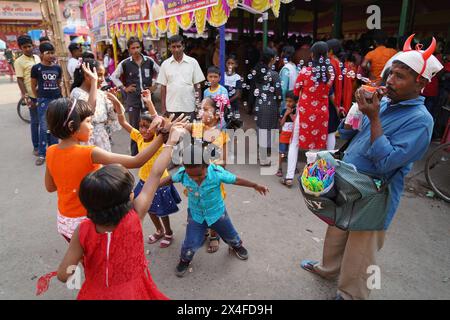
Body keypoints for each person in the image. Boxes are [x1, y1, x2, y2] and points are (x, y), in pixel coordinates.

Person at [300, 35, 443, 300]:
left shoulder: (421, 121)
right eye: (391, 74)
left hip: (376, 192)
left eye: (400, 77)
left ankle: (351, 294)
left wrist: (374, 116)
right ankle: (328, 269)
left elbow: (387, 161)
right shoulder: (386, 101)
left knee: (361, 248)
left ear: (420, 83)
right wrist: (357, 111)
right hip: (348, 180)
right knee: (337, 227)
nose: (390, 80)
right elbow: (348, 133)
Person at [51, 125, 186, 299]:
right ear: (127, 198)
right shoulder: (136, 215)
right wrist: (172, 141)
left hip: (95, 293)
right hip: (133, 292)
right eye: (130, 190)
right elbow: (156, 173)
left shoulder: (82, 230)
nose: (133, 192)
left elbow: (64, 275)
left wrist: (75, 273)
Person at [44, 97, 186, 241]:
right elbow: (137, 161)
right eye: (88, 122)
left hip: (65, 221)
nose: (92, 125)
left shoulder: (51, 151)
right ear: (71, 126)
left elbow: (50, 187)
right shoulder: (90, 152)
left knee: (86, 259)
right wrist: (162, 137)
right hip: (88, 220)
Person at [158, 143, 269, 277]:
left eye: (199, 175)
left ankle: (236, 246)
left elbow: (236, 180)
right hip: (196, 215)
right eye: (191, 175)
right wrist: (153, 187)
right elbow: (169, 179)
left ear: (207, 166)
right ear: (185, 169)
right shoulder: (182, 174)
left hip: (217, 213)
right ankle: (185, 259)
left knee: (230, 234)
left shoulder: (216, 172)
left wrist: (255, 185)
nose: (195, 178)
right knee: (190, 242)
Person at [110, 89, 181, 248]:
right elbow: (123, 123)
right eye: (140, 126)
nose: (142, 130)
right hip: (143, 181)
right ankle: (159, 230)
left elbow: (157, 119)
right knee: (148, 208)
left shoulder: (158, 137)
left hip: (160, 181)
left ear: (155, 128)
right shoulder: (138, 137)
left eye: (146, 126)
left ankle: (168, 232)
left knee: (162, 210)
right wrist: (117, 105)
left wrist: (149, 102)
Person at [281, 41, 334, 187]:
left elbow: (296, 91)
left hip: (305, 112)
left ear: (312, 54)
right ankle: (308, 179)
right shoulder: (330, 74)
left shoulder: (305, 72)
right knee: (315, 146)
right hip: (322, 114)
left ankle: (289, 176)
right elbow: (329, 91)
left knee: (294, 143)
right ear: (326, 55)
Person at [110, 37, 160, 156]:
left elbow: (160, 72)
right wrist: (124, 88)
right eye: (133, 48)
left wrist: (155, 86)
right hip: (133, 99)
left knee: (150, 125)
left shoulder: (149, 61)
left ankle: (151, 150)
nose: (136, 50)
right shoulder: (125, 63)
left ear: (141, 47)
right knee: (134, 127)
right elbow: (114, 76)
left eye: (138, 47)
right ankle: (135, 154)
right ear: (129, 50)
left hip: (147, 99)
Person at [70, 59, 121, 152]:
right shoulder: (77, 93)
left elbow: (111, 117)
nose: (102, 80)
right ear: (87, 75)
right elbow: (89, 112)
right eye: (99, 75)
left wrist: (114, 102)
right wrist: (94, 82)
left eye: (103, 75)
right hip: (87, 141)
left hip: (103, 140)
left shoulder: (101, 94)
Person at [156, 35, 205, 120]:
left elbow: (197, 86)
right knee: (172, 133)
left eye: (179, 46)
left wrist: (198, 106)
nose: (176, 49)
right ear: (169, 48)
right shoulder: (165, 64)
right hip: (171, 108)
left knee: (189, 133)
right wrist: (163, 109)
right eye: (173, 47)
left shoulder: (193, 62)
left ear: (183, 47)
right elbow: (163, 88)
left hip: (189, 107)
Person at [30, 42, 62, 166]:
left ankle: (54, 151)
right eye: (48, 53)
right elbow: (33, 85)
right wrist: (38, 98)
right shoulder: (36, 68)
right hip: (44, 100)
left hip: (56, 99)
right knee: (44, 127)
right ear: (41, 54)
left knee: (54, 126)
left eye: (52, 53)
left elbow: (58, 83)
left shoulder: (57, 68)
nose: (51, 55)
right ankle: (42, 154)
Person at [254, 48, 282, 166]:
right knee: (270, 129)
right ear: (271, 59)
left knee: (261, 128)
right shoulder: (273, 74)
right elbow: (278, 92)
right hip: (270, 104)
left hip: (259, 102)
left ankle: (261, 155)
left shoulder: (257, 71)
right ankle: (265, 158)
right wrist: (280, 102)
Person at [14, 35, 41, 157]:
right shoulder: (19, 61)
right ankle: (36, 146)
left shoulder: (37, 58)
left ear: (33, 45)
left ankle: (46, 144)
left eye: (29, 46)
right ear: (21, 48)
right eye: (24, 47)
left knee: (45, 121)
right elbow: (20, 80)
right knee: (35, 122)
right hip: (31, 95)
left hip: (43, 94)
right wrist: (26, 96)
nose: (28, 49)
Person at [276, 91, 297, 177]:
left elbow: (296, 121)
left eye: (290, 101)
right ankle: (279, 168)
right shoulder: (284, 110)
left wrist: (291, 113)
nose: (288, 103)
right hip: (284, 135)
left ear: (295, 102)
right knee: (282, 152)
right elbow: (281, 123)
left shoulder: (297, 110)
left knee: (292, 152)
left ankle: (293, 167)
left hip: (293, 135)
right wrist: (285, 114)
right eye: (287, 101)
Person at [279, 46, 299, 111]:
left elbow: (283, 88)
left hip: (287, 102)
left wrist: (281, 101)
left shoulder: (286, 69)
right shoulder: (295, 67)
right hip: (294, 100)